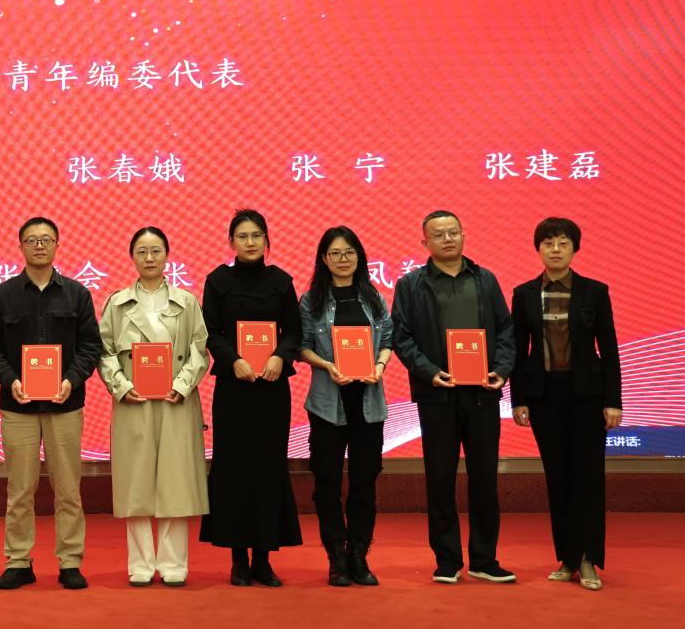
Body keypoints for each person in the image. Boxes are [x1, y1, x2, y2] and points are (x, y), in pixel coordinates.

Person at [392, 210, 515, 584]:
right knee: (440, 479)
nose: (447, 239)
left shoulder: (485, 279)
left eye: (453, 232)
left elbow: (506, 330)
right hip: (437, 396)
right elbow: (401, 336)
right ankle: (447, 560)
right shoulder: (411, 285)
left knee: (484, 479)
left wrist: (501, 369)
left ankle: (484, 559)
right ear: (424, 242)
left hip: (481, 394)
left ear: (463, 235)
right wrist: (429, 371)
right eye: (439, 234)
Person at [0, 216, 101, 590]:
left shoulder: (77, 294)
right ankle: (18, 561)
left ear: (58, 245)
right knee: (20, 489)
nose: (40, 246)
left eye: (46, 239)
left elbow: (91, 346)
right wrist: (11, 380)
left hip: (66, 403)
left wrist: (70, 380)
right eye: (32, 240)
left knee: (68, 489)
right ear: (21, 247)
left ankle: (70, 561)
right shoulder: (3, 295)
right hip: (18, 405)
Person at [510, 217, 622, 591]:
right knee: (557, 477)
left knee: (587, 477)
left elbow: (609, 349)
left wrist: (613, 400)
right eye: (548, 243)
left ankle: (589, 558)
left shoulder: (594, 291)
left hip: (587, 396)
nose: (555, 249)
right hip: (544, 397)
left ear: (575, 248)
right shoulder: (524, 294)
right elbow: (519, 351)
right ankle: (568, 557)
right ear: (538, 249)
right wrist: (519, 399)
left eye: (562, 243)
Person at [97, 227, 209, 587]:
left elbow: (199, 349)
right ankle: (141, 564)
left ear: (167, 256)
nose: (149, 258)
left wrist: (182, 384)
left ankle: (174, 564)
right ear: (132, 257)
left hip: (176, 401)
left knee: (176, 482)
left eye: (156, 251)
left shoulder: (186, 302)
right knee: (137, 483)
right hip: (135, 401)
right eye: (142, 251)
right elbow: (104, 351)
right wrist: (122, 386)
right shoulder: (117, 303)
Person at [199, 208, 303, 587]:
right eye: (242, 236)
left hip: (272, 389)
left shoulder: (281, 282)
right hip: (234, 388)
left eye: (256, 235)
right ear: (231, 242)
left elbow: (295, 331)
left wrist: (280, 357)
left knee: (268, 469)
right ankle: (238, 560)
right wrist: (234, 361)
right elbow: (210, 332)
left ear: (266, 240)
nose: (250, 242)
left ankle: (263, 559)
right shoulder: (217, 281)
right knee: (234, 470)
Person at [298, 226, 394, 587]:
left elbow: (388, 338)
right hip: (327, 403)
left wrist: (379, 365)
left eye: (349, 252)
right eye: (335, 253)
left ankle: (359, 555)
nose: (343, 259)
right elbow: (302, 346)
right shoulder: (311, 300)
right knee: (326, 482)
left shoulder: (373, 297)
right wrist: (326, 365)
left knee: (365, 482)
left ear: (359, 257)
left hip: (368, 403)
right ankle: (336, 556)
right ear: (324, 259)